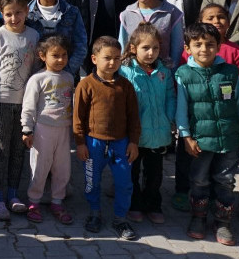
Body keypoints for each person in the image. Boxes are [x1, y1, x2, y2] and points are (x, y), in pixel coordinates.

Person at [175, 23, 239, 246]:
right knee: (199, 180)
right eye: (197, 44)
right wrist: (186, 137)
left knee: (226, 180)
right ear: (188, 48)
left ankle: (223, 221)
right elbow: (181, 109)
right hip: (200, 140)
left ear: (218, 46)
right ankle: (198, 217)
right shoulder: (184, 74)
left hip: (229, 137)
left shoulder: (229, 71)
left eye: (210, 44)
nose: (204, 49)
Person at [0, 0, 40, 221]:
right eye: (8, 14)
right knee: (1, 150)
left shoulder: (34, 36)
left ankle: (13, 194)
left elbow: (35, 72)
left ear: (26, 12)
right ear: (1, 14)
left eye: (18, 13)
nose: (14, 18)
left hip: (25, 104)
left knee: (18, 150)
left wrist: (35, 103)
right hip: (1, 102)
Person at [74, 36, 140, 240]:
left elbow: (133, 117)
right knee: (91, 182)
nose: (112, 63)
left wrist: (133, 142)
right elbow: (78, 117)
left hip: (121, 144)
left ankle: (120, 218)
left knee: (124, 183)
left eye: (117, 58)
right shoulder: (86, 85)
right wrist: (80, 143)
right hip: (94, 144)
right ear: (94, 59)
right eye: (107, 58)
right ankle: (95, 213)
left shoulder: (126, 86)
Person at [119, 23, 176, 225]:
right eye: (146, 48)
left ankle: (153, 204)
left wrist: (170, 119)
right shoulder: (125, 72)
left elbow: (170, 96)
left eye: (155, 48)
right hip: (134, 136)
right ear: (133, 48)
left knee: (154, 174)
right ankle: (134, 204)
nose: (151, 53)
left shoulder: (164, 72)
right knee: (132, 173)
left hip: (159, 134)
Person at [21, 35, 74, 225]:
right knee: (40, 167)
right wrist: (27, 129)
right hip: (43, 130)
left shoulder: (69, 77)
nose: (60, 60)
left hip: (64, 130)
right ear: (43, 56)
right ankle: (34, 201)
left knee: (62, 168)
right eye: (55, 55)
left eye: (64, 55)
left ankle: (57, 201)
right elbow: (28, 106)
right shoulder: (37, 79)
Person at [25, 0, 87, 77]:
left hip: (65, 76)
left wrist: (66, 71)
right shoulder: (26, 14)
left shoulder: (71, 12)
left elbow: (80, 46)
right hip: (33, 76)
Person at [118, 0, 184, 69]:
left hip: (163, 76)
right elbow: (123, 49)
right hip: (135, 76)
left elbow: (177, 50)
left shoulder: (171, 13)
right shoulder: (127, 14)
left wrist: (172, 75)